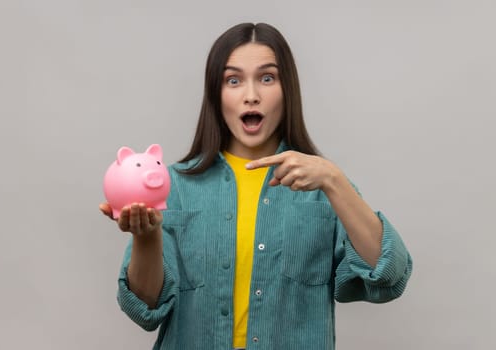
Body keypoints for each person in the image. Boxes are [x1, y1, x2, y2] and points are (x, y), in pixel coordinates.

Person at [100, 22, 412, 350]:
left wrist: (333, 179)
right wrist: (146, 237)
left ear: (286, 88)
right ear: (216, 94)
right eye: (233, 81)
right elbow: (144, 309)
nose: (251, 96)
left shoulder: (322, 186)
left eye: (267, 78)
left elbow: (389, 276)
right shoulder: (175, 186)